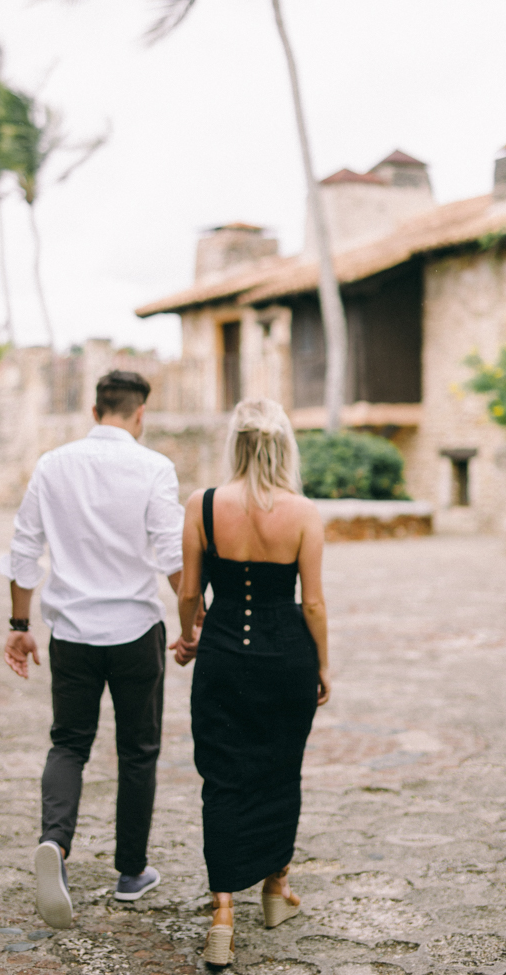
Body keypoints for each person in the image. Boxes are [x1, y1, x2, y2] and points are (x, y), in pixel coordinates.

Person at [2, 369, 189, 929]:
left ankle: (54, 846)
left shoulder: (53, 465)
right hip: (136, 632)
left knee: (68, 744)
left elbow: (23, 548)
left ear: (94, 410)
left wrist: (18, 623)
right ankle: (131, 872)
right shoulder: (155, 467)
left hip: (73, 635)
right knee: (138, 752)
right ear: (139, 415)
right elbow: (175, 557)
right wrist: (193, 622)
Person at [172, 398, 330, 966]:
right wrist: (324, 664)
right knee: (280, 771)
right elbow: (311, 602)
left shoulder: (202, 504)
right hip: (287, 658)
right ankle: (275, 888)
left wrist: (188, 633)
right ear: (283, 445)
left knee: (222, 777)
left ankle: (222, 914)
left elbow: (191, 590)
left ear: (234, 444)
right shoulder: (304, 512)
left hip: (221, 661)